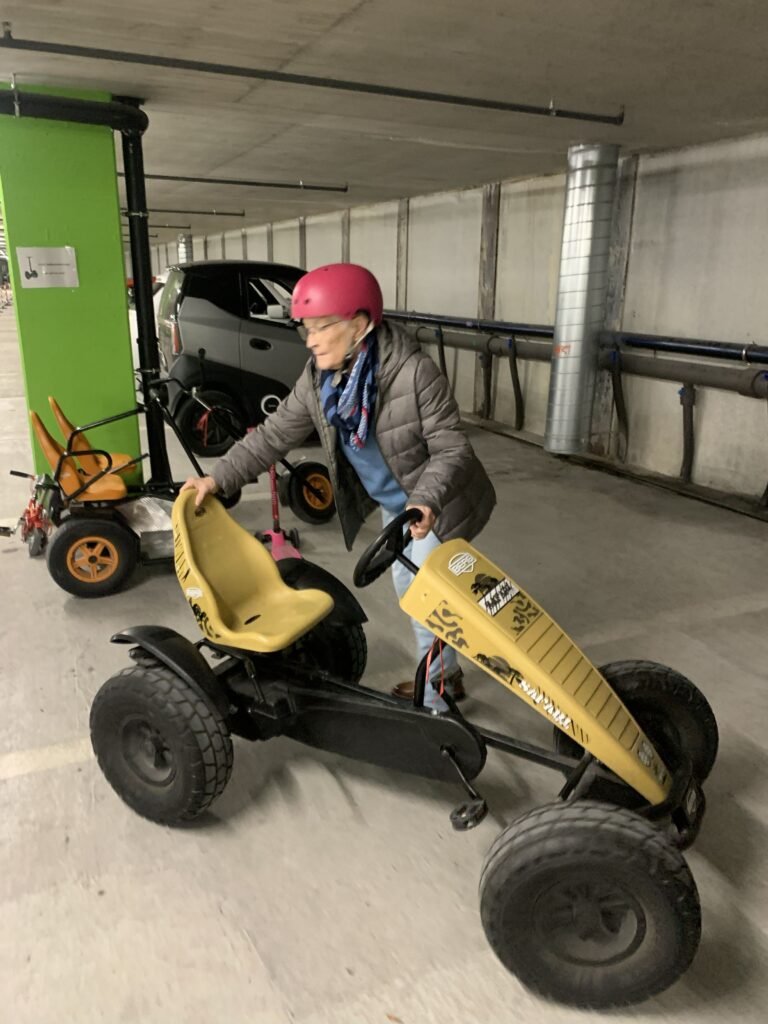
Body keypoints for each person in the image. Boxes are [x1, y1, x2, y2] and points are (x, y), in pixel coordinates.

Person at [181, 263, 496, 711]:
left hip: (435, 502)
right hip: (397, 504)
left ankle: (437, 702)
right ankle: (446, 675)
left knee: (429, 597)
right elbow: (274, 434)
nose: (310, 340)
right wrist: (219, 476)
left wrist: (426, 501)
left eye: (321, 327)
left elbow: (451, 447)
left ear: (360, 325)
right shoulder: (320, 379)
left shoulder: (413, 372)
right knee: (411, 590)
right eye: (306, 328)